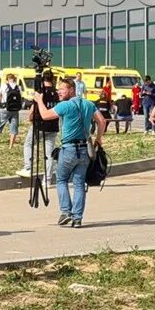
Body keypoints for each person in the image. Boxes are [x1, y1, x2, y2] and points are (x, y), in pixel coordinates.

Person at [34, 77, 104, 228]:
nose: (59, 91)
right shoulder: (88, 104)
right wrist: (98, 139)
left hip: (69, 149)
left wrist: (39, 100)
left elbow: (45, 115)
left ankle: (66, 211)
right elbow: (101, 121)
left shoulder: (65, 106)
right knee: (79, 183)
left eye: (62, 89)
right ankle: (78, 217)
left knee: (61, 179)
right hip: (84, 149)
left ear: (71, 90)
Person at [21, 71, 60, 181]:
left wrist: (30, 116)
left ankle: (28, 167)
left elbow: (34, 107)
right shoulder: (56, 93)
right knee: (49, 154)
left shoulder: (40, 92)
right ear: (53, 79)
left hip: (40, 124)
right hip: (53, 125)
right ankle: (47, 179)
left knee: (28, 144)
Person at [0, 74, 23, 146]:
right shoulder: (18, 87)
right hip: (15, 110)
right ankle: (11, 146)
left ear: (7, 79)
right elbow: (20, 97)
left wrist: (0, 101)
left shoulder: (4, 86)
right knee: (14, 128)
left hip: (5, 108)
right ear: (14, 79)